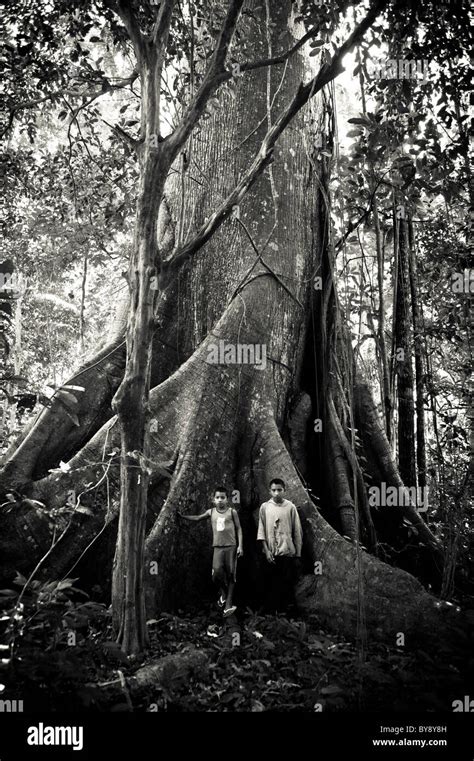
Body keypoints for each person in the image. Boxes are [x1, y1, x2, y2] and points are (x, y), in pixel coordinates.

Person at [180, 487, 243, 617]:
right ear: (213, 499)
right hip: (218, 547)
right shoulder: (211, 512)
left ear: (227, 499)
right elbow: (198, 518)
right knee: (216, 573)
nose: (220, 500)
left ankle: (228, 605)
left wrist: (240, 546)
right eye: (218, 498)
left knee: (231, 574)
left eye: (223, 498)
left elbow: (239, 528)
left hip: (231, 546)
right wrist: (182, 516)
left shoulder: (232, 512)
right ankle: (224, 594)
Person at [257, 478, 303, 613]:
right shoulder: (265, 507)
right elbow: (261, 530)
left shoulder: (290, 507)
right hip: (270, 553)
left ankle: (286, 614)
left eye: (279, 490)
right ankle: (270, 613)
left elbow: (297, 531)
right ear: (269, 491)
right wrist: (266, 551)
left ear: (284, 490)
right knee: (270, 583)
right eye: (274, 490)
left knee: (286, 584)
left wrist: (298, 554)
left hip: (287, 552)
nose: (276, 493)